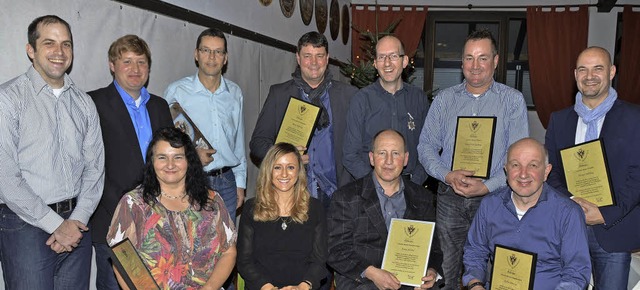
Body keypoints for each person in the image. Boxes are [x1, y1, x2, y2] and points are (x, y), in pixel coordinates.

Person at [416, 29, 529, 289]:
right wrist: (447, 174)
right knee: (446, 269)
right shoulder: (444, 100)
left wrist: (487, 186)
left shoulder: (512, 102)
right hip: (449, 198)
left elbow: (518, 160)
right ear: (462, 62)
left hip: (495, 199)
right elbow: (426, 147)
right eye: (469, 58)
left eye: (482, 58)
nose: (475, 65)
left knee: (494, 269)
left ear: (496, 61)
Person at [0, 15, 105, 289]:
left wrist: (76, 221)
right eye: (49, 43)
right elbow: (5, 177)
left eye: (66, 44)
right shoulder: (8, 100)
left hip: (77, 223)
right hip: (25, 226)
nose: (59, 52)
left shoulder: (84, 103)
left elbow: (95, 170)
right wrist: (56, 225)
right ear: (31, 50)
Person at [545, 46, 640, 289]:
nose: (590, 76)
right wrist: (572, 202)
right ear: (575, 74)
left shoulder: (635, 118)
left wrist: (606, 214)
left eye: (598, 68)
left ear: (611, 72)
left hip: (613, 230)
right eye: (583, 69)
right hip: (566, 230)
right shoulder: (559, 119)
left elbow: (637, 176)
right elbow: (551, 172)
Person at [88, 34, 173, 289]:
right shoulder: (93, 103)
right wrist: (128, 211)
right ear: (112, 65)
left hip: (158, 220)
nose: (135, 69)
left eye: (141, 62)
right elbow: (92, 167)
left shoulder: (160, 106)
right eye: (127, 62)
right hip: (114, 220)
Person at [106, 127, 236, 289]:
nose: (170, 165)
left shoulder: (212, 201)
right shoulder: (133, 204)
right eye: (162, 157)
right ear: (152, 161)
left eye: (178, 157)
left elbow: (228, 252)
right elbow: (123, 261)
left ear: (189, 161)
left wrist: (208, 288)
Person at [462, 138, 591, 290]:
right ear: (506, 170)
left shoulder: (568, 213)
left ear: (546, 171)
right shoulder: (489, 205)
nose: (523, 174)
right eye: (515, 165)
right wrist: (475, 285)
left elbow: (576, 272)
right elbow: (475, 251)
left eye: (533, 165)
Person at [250, 31, 358, 209]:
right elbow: (257, 144)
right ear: (298, 58)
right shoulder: (279, 94)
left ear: (327, 59)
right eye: (307, 56)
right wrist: (285, 155)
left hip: (338, 195)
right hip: (293, 192)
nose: (314, 63)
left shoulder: (349, 95)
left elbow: (362, 145)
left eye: (319, 56)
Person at [328, 129, 443, 290]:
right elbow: (336, 250)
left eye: (396, 153)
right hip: (362, 280)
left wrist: (431, 271)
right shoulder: (346, 197)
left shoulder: (422, 197)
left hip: (410, 281)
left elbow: (434, 248)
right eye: (382, 153)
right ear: (371, 158)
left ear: (406, 159)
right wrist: (372, 273)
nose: (389, 161)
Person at [164, 27, 246, 220]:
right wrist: (191, 155)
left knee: (226, 246)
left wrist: (240, 183)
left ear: (225, 58)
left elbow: (239, 143)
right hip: (190, 180)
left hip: (227, 183)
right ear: (196, 54)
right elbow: (164, 143)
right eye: (206, 50)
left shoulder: (234, 93)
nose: (212, 57)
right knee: (191, 244)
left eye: (218, 51)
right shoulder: (177, 92)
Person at [237, 143, 327, 290]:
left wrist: (303, 287)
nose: (284, 174)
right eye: (277, 167)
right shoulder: (252, 208)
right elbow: (244, 261)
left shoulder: (315, 208)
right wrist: (267, 287)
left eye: (290, 167)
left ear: (299, 171)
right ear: (268, 171)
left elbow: (319, 260)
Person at [343, 35, 430, 186]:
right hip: (371, 190)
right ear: (375, 63)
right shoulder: (361, 100)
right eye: (382, 57)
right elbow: (350, 155)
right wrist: (376, 186)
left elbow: (429, 147)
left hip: (411, 188)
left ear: (404, 61)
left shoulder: (419, 99)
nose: (387, 63)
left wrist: (414, 183)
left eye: (393, 56)